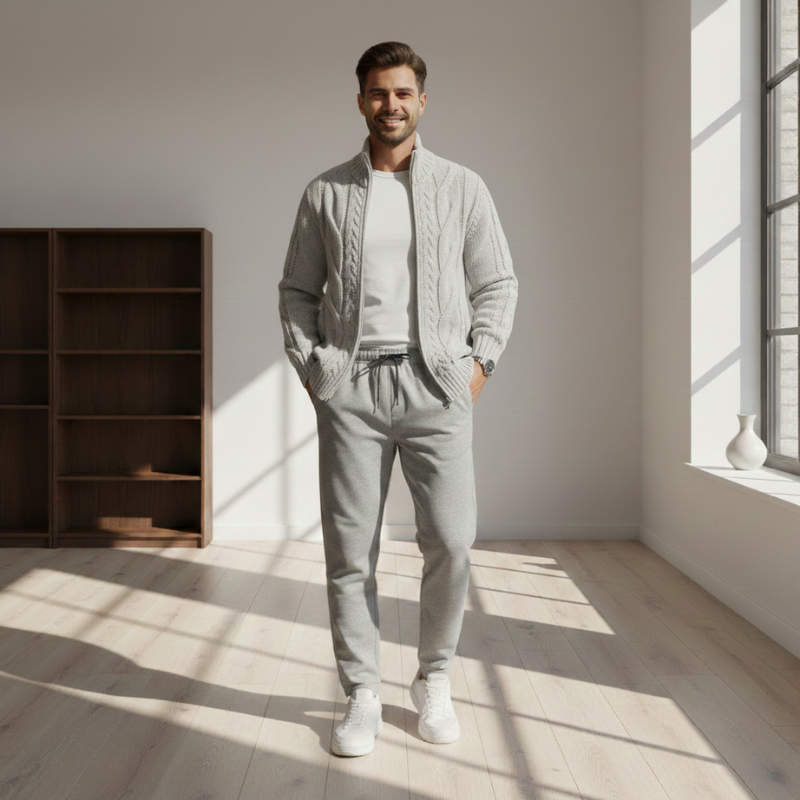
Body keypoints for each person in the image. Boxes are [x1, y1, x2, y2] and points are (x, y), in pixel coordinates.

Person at [278, 41, 517, 757]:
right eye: (379, 93)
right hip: (351, 388)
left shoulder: (462, 187)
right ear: (361, 101)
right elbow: (296, 291)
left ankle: (433, 679)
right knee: (351, 551)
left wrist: (479, 365)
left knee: (451, 541)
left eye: (404, 92)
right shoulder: (325, 193)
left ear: (422, 101)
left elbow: (497, 283)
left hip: (436, 385)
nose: (392, 105)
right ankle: (361, 691)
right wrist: (316, 371)